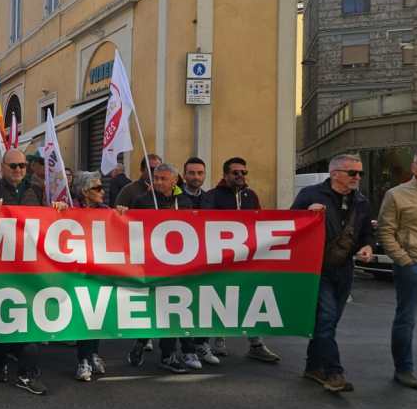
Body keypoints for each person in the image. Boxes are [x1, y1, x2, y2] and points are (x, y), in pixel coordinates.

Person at [0, 148, 68, 395]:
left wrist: (56, 209)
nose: (18, 170)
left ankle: (28, 374)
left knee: (29, 321)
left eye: (22, 166)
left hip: (30, 268)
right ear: (2, 167)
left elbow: (49, 220)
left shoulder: (36, 189)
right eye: (13, 166)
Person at [292, 153, 373, 393]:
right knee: (326, 318)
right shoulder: (311, 194)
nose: (357, 177)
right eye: (352, 173)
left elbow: (366, 233)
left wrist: (366, 247)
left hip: (345, 268)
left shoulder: (361, 201)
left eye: (360, 173)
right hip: (317, 268)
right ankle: (334, 372)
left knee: (330, 321)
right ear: (335, 173)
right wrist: (307, 213)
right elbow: (289, 223)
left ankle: (313, 366)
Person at [200, 157, 280, 364]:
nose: (240, 176)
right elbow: (204, 222)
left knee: (250, 298)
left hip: (245, 259)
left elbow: (259, 221)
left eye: (244, 172)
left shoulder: (250, 196)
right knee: (217, 298)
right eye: (235, 172)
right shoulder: (212, 196)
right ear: (225, 174)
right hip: (219, 258)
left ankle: (256, 344)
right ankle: (215, 338)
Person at [378, 146, 417, 391]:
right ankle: (403, 370)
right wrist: (404, 260)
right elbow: (385, 230)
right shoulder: (396, 195)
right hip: (414, 265)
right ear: (414, 167)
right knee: (406, 320)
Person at [125, 164, 198, 374]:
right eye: (155, 178)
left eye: (162, 179)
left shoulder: (184, 202)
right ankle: (140, 342)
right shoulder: (142, 201)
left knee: (172, 309)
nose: (157, 182)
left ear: (174, 181)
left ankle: (168, 355)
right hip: (150, 264)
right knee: (152, 309)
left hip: (177, 267)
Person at [70, 171, 108, 382]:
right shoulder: (71, 209)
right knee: (85, 314)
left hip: (100, 271)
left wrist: (122, 214)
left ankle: (93, 353)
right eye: (97, 188)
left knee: (98, 313)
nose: (102, 191)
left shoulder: (106, 211)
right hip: (78, 272)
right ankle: (82, 360)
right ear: (85, 192)